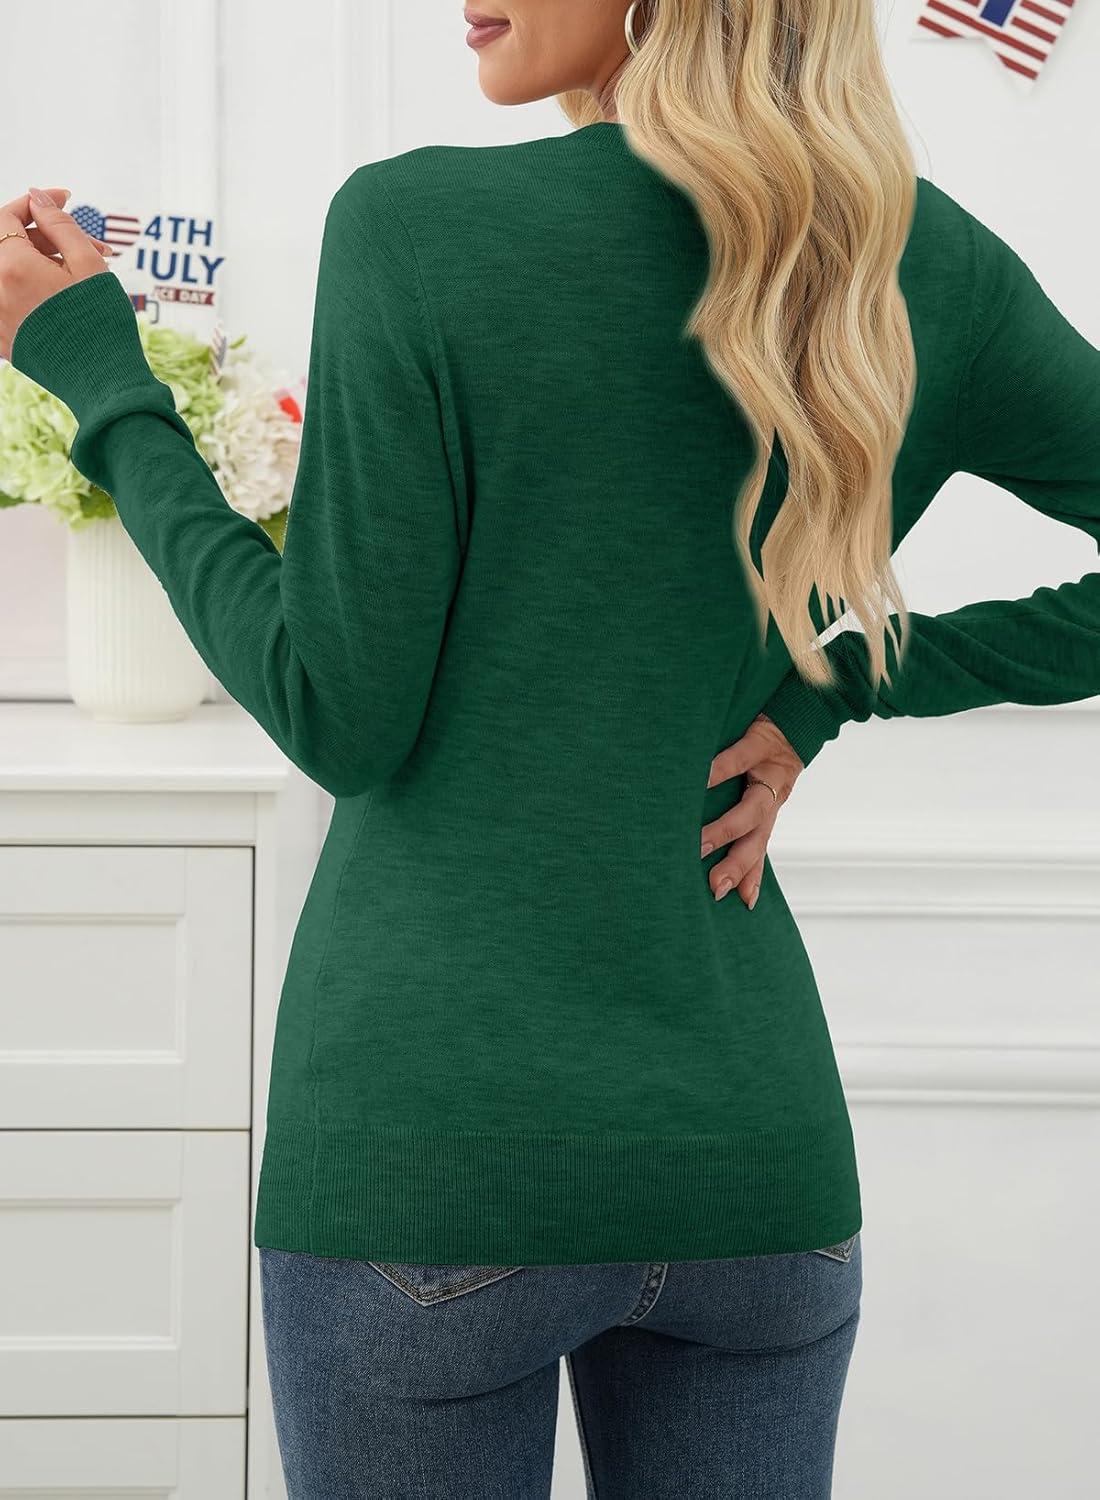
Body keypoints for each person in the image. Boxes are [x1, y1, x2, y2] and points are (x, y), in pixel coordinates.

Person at [2, 0, 1097, 1493]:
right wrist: (837, 680)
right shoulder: (910, 256)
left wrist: (109, 389)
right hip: (751, 1166)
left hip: (429, 1154)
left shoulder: (416, 227)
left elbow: (338, 712)